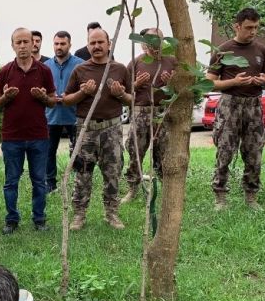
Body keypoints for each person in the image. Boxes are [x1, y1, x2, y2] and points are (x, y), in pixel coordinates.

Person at [63, 28, 132, 230]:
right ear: (87, 45)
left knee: (112, 172)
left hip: (112, 128)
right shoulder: (80, 70)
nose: (96, 46)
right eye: (92, 43)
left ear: (108, 43)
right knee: (82, 172)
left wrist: (120, 95)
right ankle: (79, 215)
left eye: (100, 42)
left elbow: (132, 98)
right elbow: (66, 100)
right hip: (86, 128)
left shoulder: (119, 69)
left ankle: (111, 213)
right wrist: (83, 93)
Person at [206, 7, 265, 211]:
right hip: (230, 104)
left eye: (256, 28)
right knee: (225, 151)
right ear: (237, 26)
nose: (252, 32)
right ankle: (220, 196)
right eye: (248, 27)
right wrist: (234, 82)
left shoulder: (262, 51)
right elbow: (209, 83)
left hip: (254, 105)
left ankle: (251, 196)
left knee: (254, 152)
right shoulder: (223, 50)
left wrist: (262, 81)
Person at [0, 27, 57, 234]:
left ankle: (39, 219)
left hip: (38, 135)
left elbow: (53, 101)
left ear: (33, 44)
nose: (22, 46)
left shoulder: (44, 71)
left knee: (39, 180)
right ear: (12, 45)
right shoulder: (5, 72)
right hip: (12, 137)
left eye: (26, 42)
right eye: (18, 42)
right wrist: (5, 98)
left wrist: (43, 98)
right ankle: (11, 219)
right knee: (11, 181)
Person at [122, 27, 176, 204]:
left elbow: (180, 90)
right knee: (136, 152)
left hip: (162, 113)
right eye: (149, 40)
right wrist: (136, 84)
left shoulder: (172, 61)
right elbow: (123, 90)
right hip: (140, 112)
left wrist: (171, 84)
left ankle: (164, 188)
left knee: (163, 152)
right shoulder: (136, 62)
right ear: (144, 43)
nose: (154, 43)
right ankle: (132, 188)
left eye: (157, 39)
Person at [43, 31, 84, 193]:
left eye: (62, 44)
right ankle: (50, 183)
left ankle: (78, 183)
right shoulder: (46, 66)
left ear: (70, 45)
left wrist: (69, 98)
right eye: (56, 44)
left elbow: (85, 89)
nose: (59, 47)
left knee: (77, 151)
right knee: (48, 152)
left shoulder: (80, 64)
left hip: (74, 115)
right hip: (50, 116)